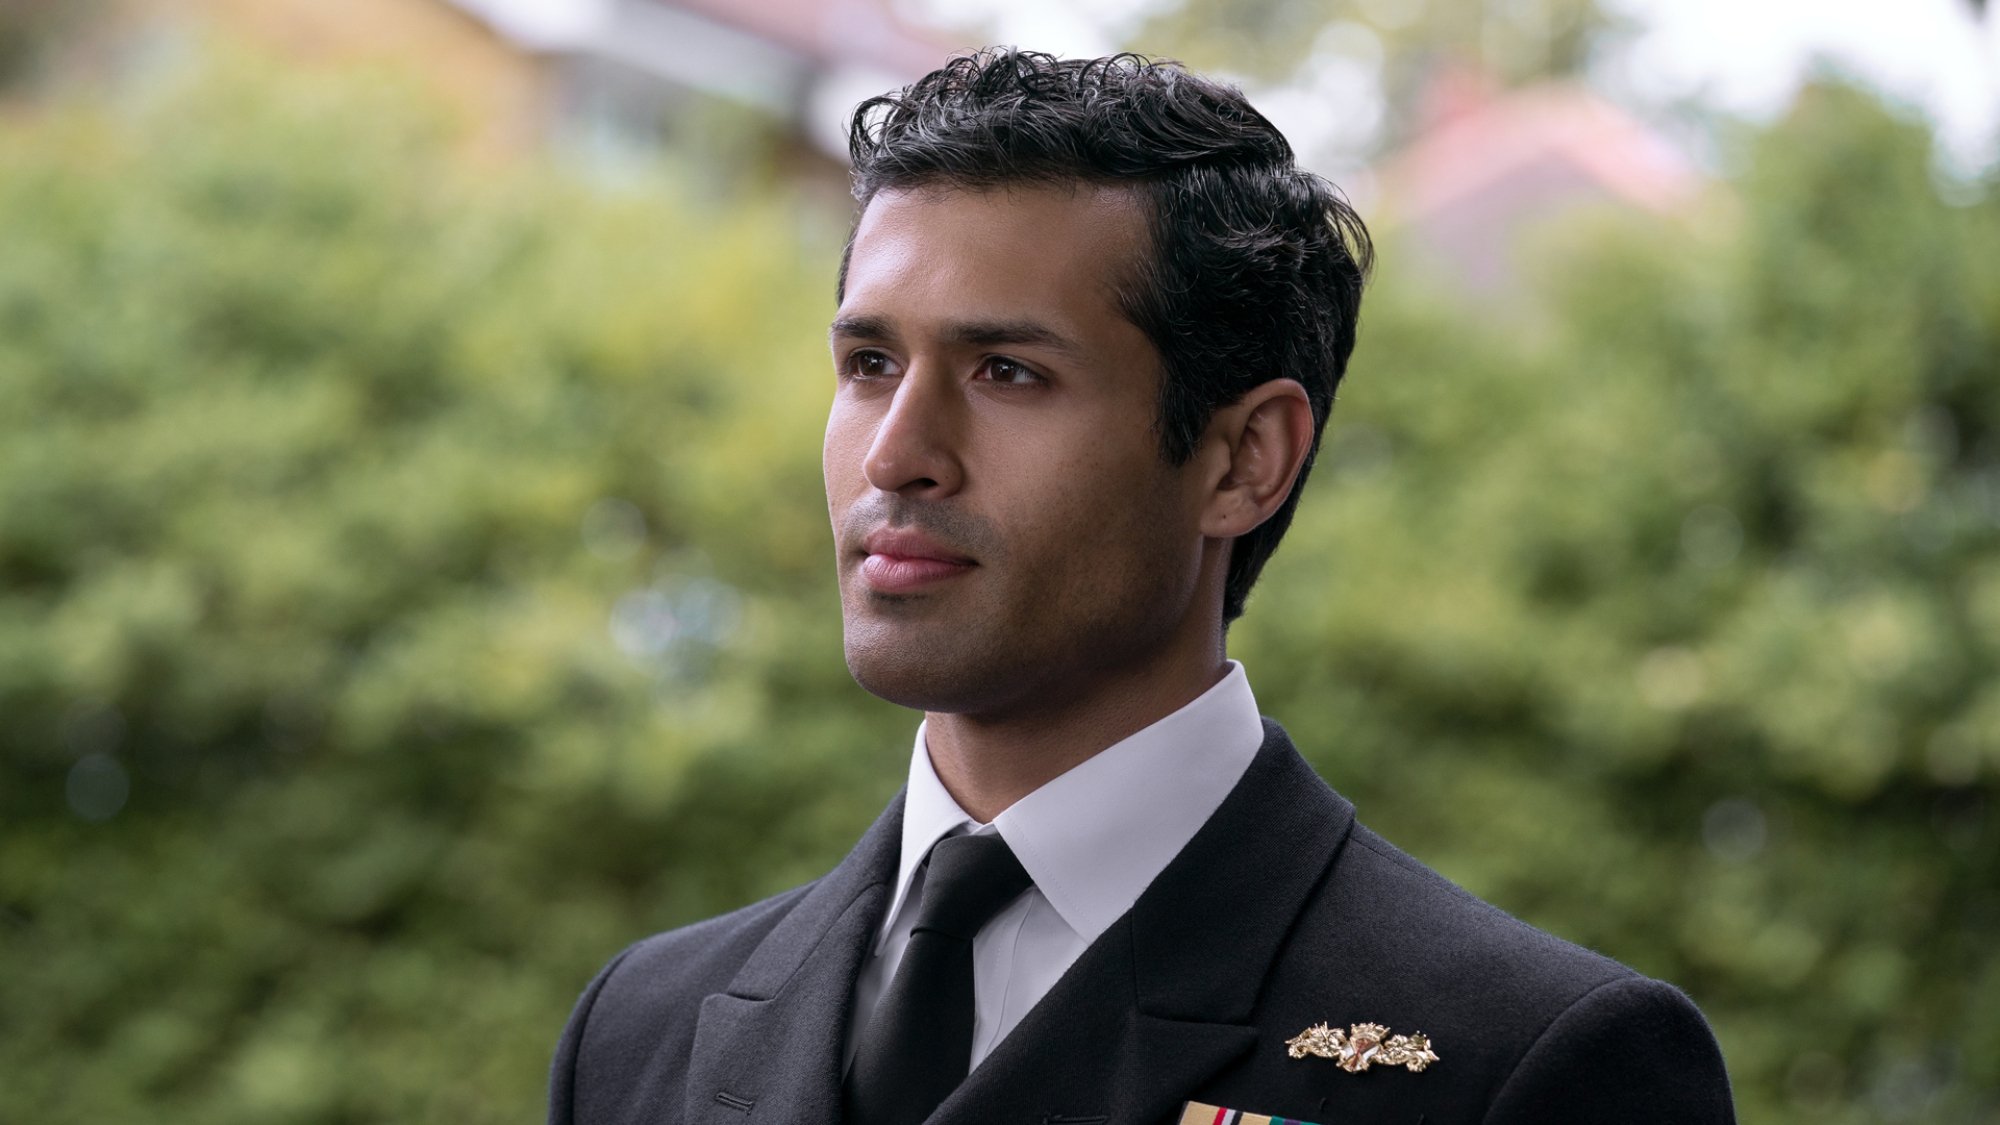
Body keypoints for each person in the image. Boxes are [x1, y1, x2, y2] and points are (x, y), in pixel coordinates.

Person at [548, 48, 1735, 1125]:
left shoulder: (1535, 1065)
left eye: (1007, 370)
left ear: (1242, 460)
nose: (895, 450)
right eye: (867, 364)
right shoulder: (635, 1031)